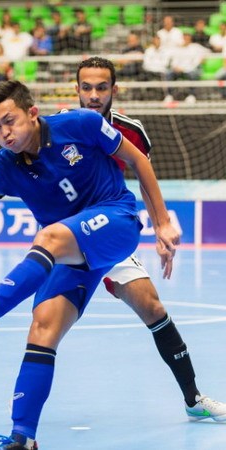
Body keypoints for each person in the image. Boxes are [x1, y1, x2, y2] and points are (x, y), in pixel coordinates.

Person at [0, 80, 179, 449]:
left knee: (50, 237)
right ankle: (23, 437)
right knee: (42, 330)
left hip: (115, 220)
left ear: (32, 113)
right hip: (71, 251)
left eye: (10, 121)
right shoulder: (6, 163)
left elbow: (137, 159)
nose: (4, 132)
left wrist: (162, 221)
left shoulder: (81, 124)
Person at [75, 55, 226, 424]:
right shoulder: (58, 126)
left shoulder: (132, 131)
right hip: (69, 237)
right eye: (86, 87)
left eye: (102, 87)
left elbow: (145, 180)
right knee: (46, 326)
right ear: (76, 89)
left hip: (110, 238)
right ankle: (23, 429)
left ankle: (193, 399)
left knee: (155, 309)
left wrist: (161, 227)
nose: (94, 95)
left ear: (114, 89)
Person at [164, 31, 210, 103]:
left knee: (194, 74)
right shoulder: (177, 49)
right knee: (168, 74)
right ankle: (169, 95)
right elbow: (173, 60)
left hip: (190, 69)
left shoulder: (195, 47)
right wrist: (175, 67)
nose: (186, 39)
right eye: (184, 38)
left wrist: (202, 58)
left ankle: (191, 95)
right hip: (178, 70)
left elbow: (208, 51)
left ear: (190, 39)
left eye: (187, 38)